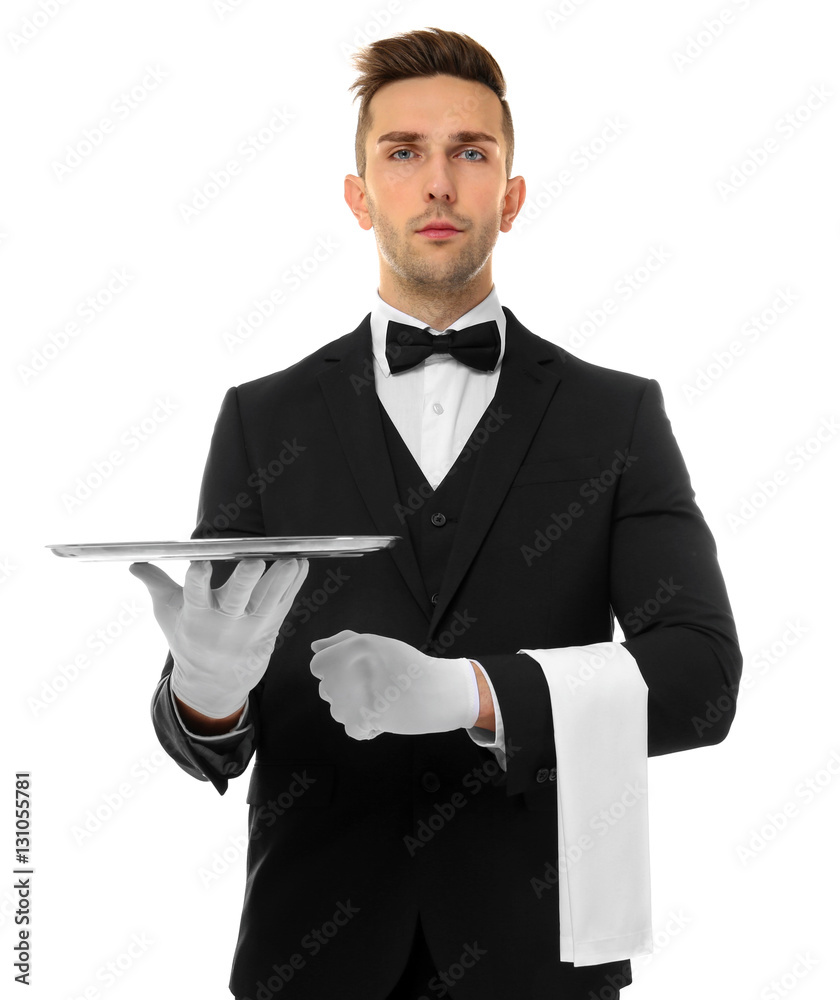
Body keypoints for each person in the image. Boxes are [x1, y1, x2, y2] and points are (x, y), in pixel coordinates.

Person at [130, 27, 742, 1000]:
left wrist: (470, 692)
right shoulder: (263, 419)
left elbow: (701, 677)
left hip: (540, 958)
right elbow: (210, 731)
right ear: (358, 193)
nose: (439, 183)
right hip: (311, 958)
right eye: (403, 152)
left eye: (472, 152)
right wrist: (206, 692)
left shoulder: (614, 417)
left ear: (512, 192)